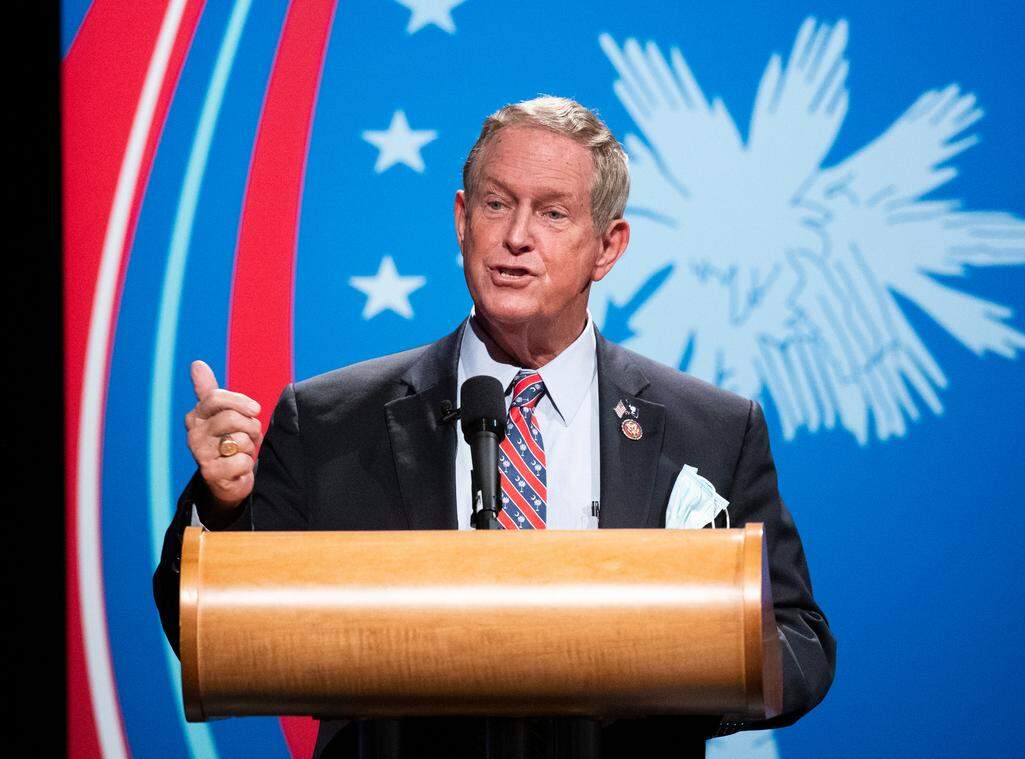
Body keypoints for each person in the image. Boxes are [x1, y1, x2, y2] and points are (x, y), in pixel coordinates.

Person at [154, 96, 835, 758]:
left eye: (553, 212)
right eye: (497, 204)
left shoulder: (711, 429)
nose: (516, 237)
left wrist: (677, 672)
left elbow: (799, 641)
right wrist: (223, 506)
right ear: (462, 219)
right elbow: (210, 627)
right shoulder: (331, 422)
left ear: (608, 246)